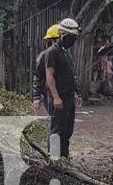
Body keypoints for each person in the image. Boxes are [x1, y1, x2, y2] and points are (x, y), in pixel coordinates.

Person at [45, 18, 82, 159]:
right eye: (71, 38)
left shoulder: (67, 53)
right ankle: (53, 158)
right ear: (62, 35)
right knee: (57, 130)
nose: (73, 41)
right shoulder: (52, 52)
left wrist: (77, 93)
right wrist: (55, 97)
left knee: (67, 130)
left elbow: (72, 74)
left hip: (69, 98)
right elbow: (49, 75)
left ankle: (64, 157)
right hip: (58, 98)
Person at [32, 24, 60, 113]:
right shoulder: (43, 56)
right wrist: (37, 97)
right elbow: (37, 76)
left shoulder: (64, 55)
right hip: (49, 94)